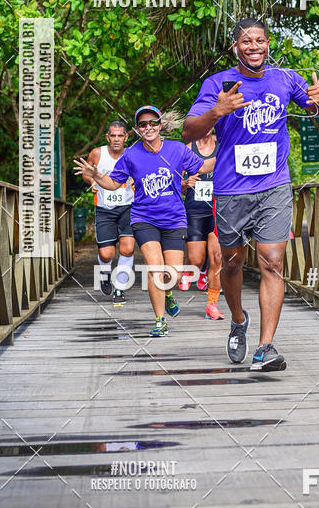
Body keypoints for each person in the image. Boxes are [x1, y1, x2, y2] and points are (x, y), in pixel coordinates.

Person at [183, 18, 319, 371]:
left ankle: (266, 346)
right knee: (232, 262)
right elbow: (190, 131)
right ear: (236, 47)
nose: (254, 46)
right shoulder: (217, 83)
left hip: (274, 185)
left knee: (273, 261)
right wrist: (216, 111)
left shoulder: (284, 79)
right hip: (231, 189)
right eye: (246, 41)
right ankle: (238, 320)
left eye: (260, 40)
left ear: (268, 45)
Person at [74, 106, 214, 337]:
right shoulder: (131, 154)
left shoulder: (176, 149)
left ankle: (168, 294)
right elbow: (112, 183)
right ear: (138, 130)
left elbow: (203, 166)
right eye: (142, 124)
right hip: (143, 218)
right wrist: (97, 175)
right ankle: (160, 320)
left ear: (160, 125)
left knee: (175, 274)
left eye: (152, 122)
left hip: (174, 218)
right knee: (155, 268)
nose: (148, 127)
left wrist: (231, 153)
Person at [80, 120, 135, 306]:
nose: (117, 139)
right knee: (106, 254)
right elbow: (86, 172)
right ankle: (105, 273)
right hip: (104, 209)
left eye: (121, 135)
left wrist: (137, 181)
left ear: (126, 137)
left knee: (127, 248)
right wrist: (92, 181)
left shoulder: (133, 154)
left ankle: (119, 287)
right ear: (108, 137)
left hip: (129, 206)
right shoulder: (97, 153)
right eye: (113, 135)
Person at [180, 128, 224, 320]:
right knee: (196, 259)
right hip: (195, 209)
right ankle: (198, 270)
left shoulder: (222, 147)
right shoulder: (188, 148)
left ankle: (212, 305)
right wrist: (185, 183)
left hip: (218, 208)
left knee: (217, 257)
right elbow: (176, 181)